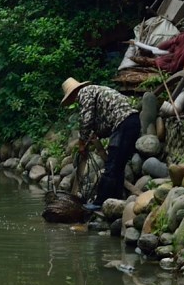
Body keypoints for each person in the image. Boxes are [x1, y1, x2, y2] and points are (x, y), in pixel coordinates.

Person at [61, 77, 142, 208]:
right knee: (118, 166)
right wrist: (96, 134)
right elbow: (103, 122)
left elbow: (86, 120)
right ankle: (115, 201)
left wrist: (82, 143)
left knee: (112, 164)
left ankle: (100, 202)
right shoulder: (96, 91)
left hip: (123, 123)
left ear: (73, 93)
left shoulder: (85, 92)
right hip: (131, 122)